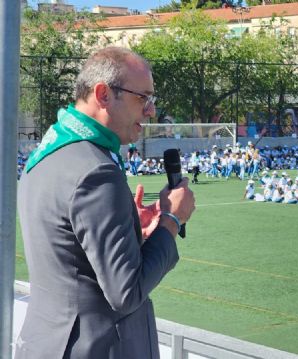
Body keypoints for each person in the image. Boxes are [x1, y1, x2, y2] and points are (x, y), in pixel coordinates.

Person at [15, 47, 196, 359]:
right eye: (144, 98)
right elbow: (126, 292)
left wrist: (126, 224)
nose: (151, 111)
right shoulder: (95, 170)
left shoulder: (50, 149)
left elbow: (70, 245)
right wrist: (171, 219)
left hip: (48, 342)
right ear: (103, 94)